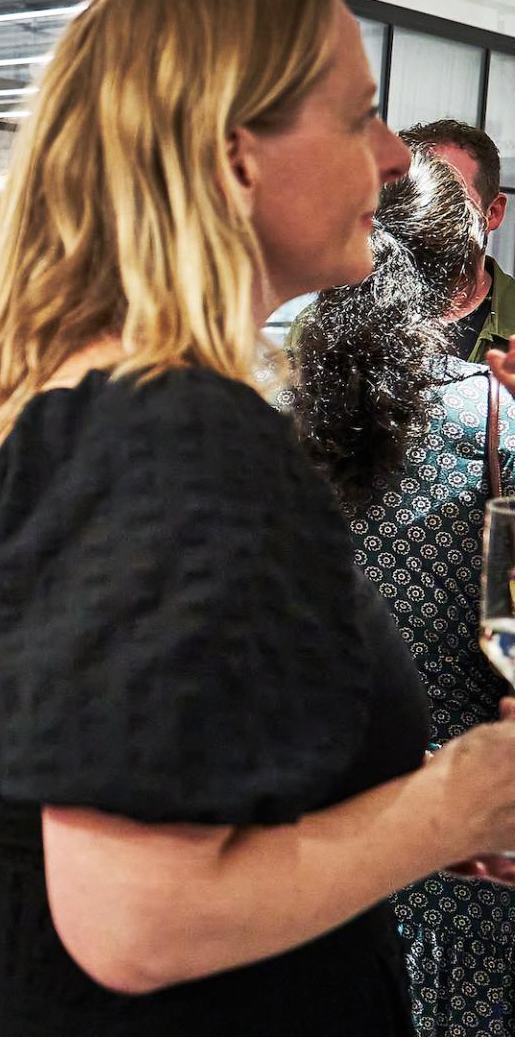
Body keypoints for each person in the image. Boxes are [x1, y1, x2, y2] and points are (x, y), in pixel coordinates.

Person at [0, 0, 515, 1035]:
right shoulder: (159, 433)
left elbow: (167, 764)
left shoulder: (94, 397)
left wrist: (372, 804)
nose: (386, 158)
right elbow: (138, 919)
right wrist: (448, 801)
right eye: (359, 116)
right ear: (235, 157)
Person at [290, 152, 515, 1037]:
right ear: (467, 285)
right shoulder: (495, 425)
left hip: (294, 859)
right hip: (461, 863)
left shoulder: (262, 411)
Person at [400, 120, 511, 360]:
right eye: (411, 199)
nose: (425, 216)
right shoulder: (339, 321)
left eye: (450, 200)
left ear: (493, 213)